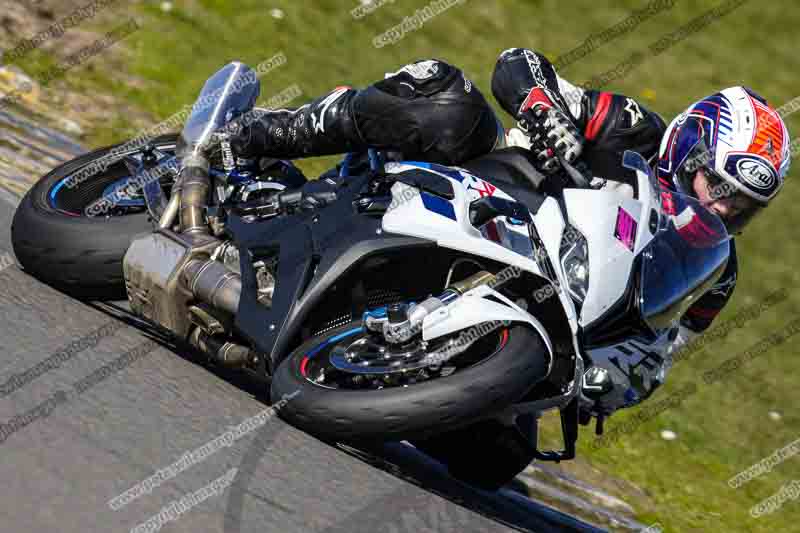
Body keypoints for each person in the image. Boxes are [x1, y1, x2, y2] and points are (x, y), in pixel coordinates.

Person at [227, 48, 791, 416]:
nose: (720, 207)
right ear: (688, 146)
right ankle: (258, 134)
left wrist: (617, 384)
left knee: (497, 461)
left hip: (544, 316)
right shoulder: (633, 129)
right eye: (715, 184)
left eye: (742, 206)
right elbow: (518, 65)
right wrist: (547, 114)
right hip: (483, 202)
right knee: (449, 103)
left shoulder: (714, 267)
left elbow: (661, 352)